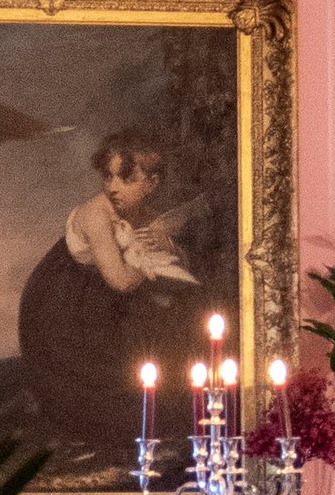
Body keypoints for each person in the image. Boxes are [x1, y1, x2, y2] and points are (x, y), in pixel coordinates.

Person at [16, 124, 207, 466]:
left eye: (126, 178)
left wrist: (167, 248)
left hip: (100, 296)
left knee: (179, 313)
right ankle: (101, 433)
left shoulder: (145, 215)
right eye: (108, 177)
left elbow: (176, 263)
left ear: (152, 183)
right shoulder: (96, 214)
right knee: (104, 359)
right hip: (61, 304)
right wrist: (148, 265)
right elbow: (120, 279)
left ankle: (163, 417)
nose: (114, 188)